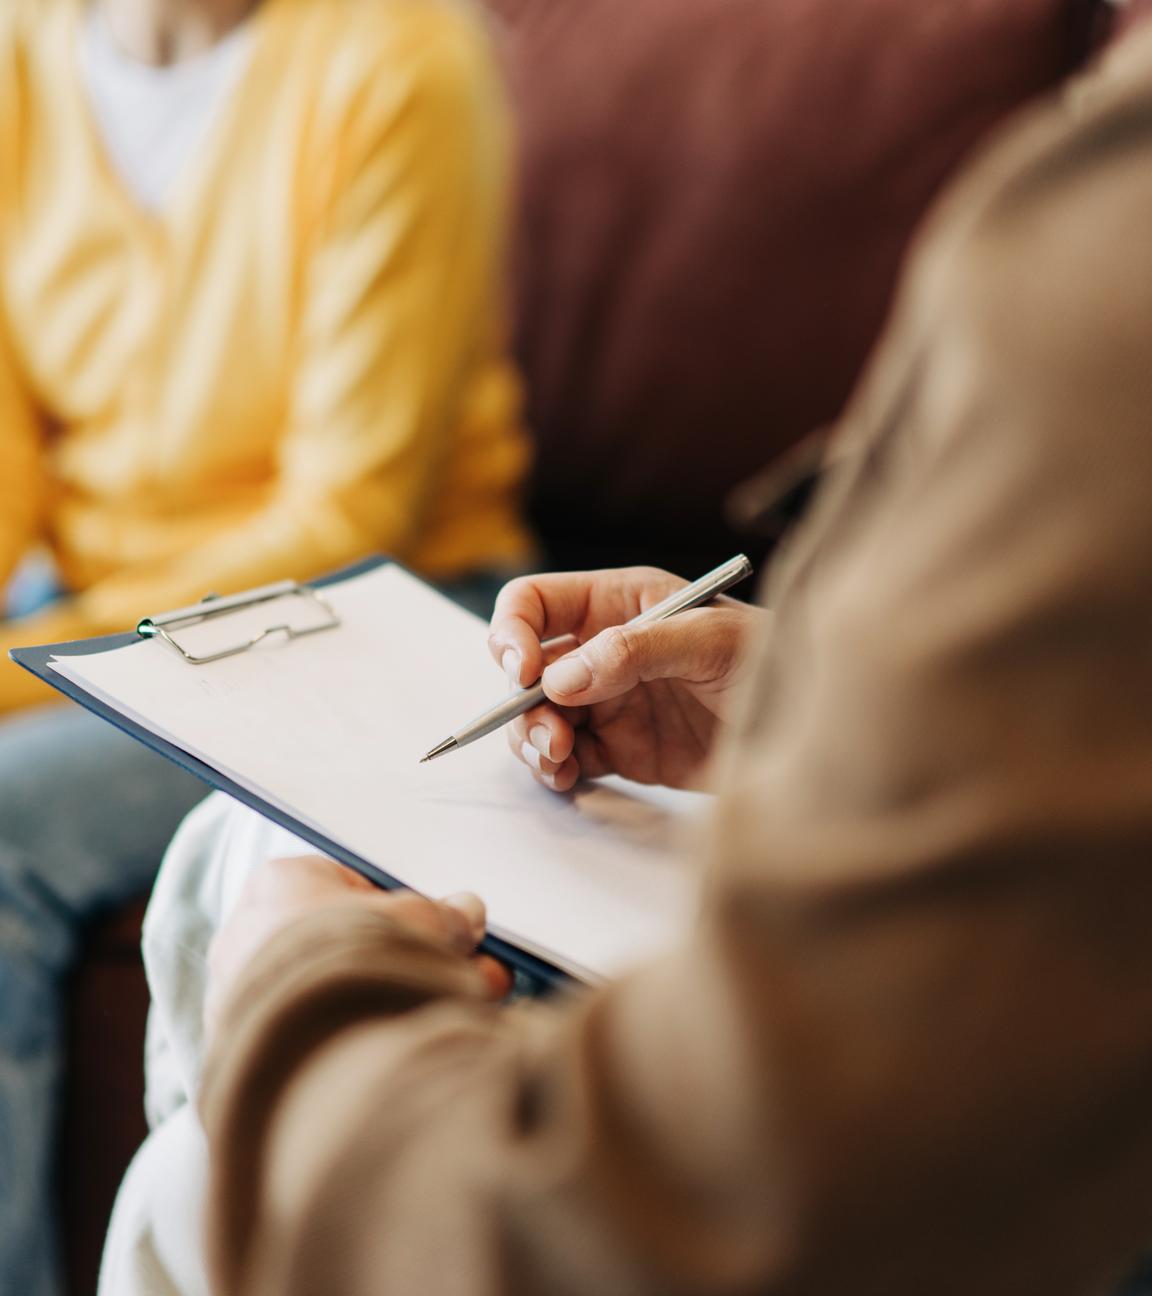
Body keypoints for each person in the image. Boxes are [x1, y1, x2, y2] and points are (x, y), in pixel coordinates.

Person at [178, 18, 1152, 1295]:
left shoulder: (1104, 268)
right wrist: (816, 701)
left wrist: (298, 1004)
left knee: (236, 871)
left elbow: (715, 1209)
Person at [0, 0, 530, 1290]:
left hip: (373, 611)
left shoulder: (402, 58)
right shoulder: (14, 54)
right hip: (94, 604)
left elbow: (349, 514)